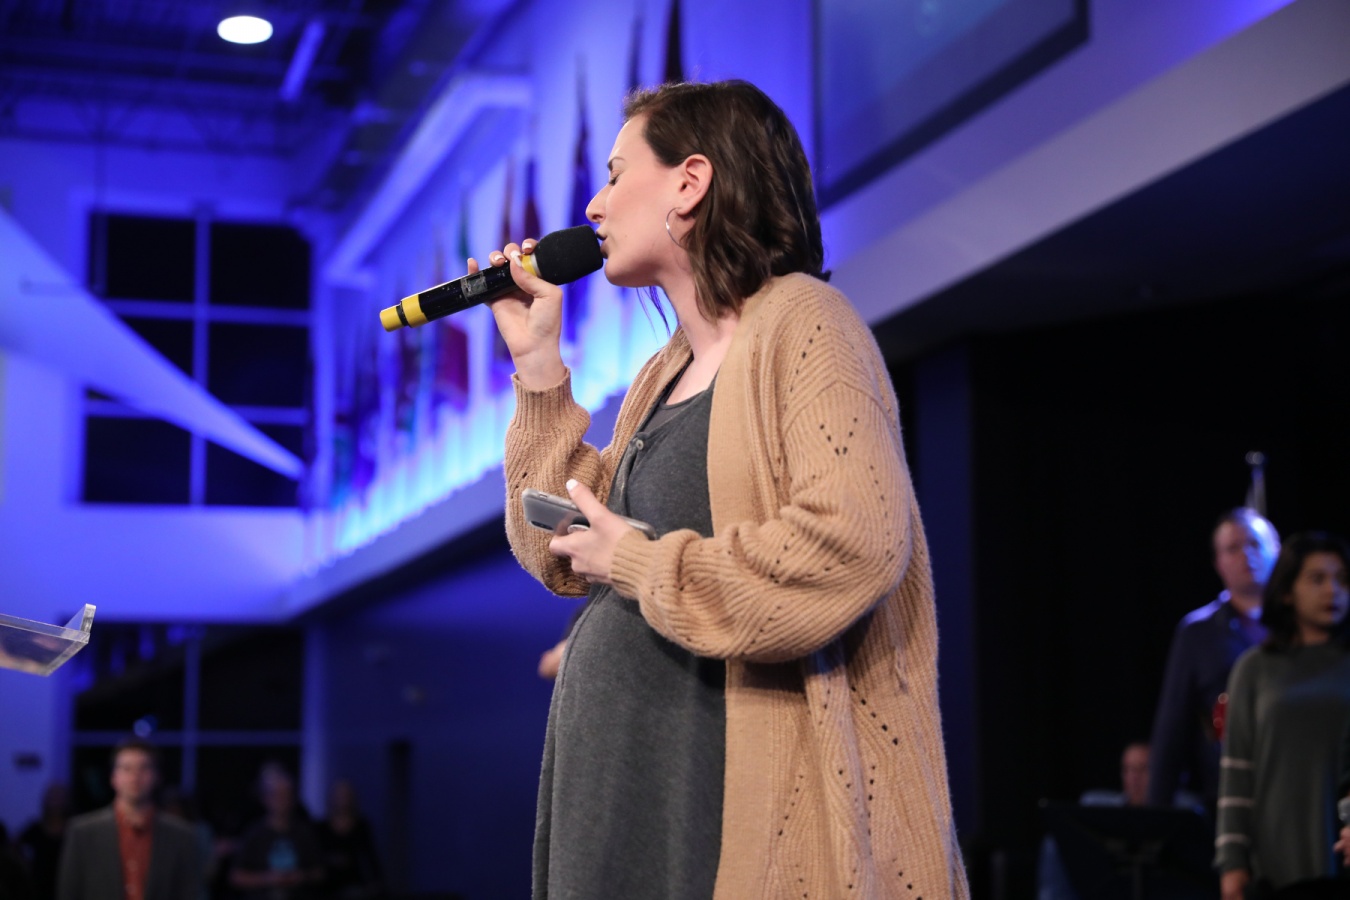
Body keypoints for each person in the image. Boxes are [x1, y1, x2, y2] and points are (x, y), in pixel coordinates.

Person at [481, 80, 967, 898]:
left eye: (615, 173)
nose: (594, 206)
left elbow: (851, 545)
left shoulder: (806, 322)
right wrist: (537, 368)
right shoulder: (664, 370)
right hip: (626, 797)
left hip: (714, 796)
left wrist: (637, 562)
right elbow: (556, 552)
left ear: (690, 181)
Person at [1216, 532, 1350, 899]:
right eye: (1317, 579)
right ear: (1288, 591)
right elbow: (1237, 771)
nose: (1333, 591)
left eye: (1342, 579)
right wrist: (1231, 861)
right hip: (1276, 862)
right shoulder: (1255, 668)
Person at [1149, 508, 1280, 812]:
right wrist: (1156, 813)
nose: (1247, 555)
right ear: (1218, 562)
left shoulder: (1305, 625)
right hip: (1231, 794)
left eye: (1255, 544)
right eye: (1233, 548)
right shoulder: (1197, 632)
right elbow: (1172, 729)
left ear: (1277, 550)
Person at [56, 737, 202, 900]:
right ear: (113, 777)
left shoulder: (182, 836)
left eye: (144, 768)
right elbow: (69, 893)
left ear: (156, 776)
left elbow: (189, 893)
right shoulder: (82, 832)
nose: (135, 776)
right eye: (127, 769)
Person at [230, 766, 323, 900]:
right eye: (277, 795)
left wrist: (301, 876)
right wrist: (267, 878)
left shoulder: (305, 833)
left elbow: (320, 872)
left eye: (286, 795)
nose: (281, 801)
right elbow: (236, 876)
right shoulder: (254, 834)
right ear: (266, 799)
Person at [314, 779, 382, 900]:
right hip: (326, 884)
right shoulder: (321, 828)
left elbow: (371, 857)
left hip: (355, 883)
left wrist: (375, 883)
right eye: (339, 795)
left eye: (345, 795)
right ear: (332, 798)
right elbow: (315, 857)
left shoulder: (361, 827)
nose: (342, 799)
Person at [17, 783, 68, 900]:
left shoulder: (72, 829)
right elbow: (15, 845)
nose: (55, 800)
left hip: (65, 881)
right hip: (39, 885)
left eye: (59, 796)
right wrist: (25, 865)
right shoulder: (35, 828)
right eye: (52, 796)